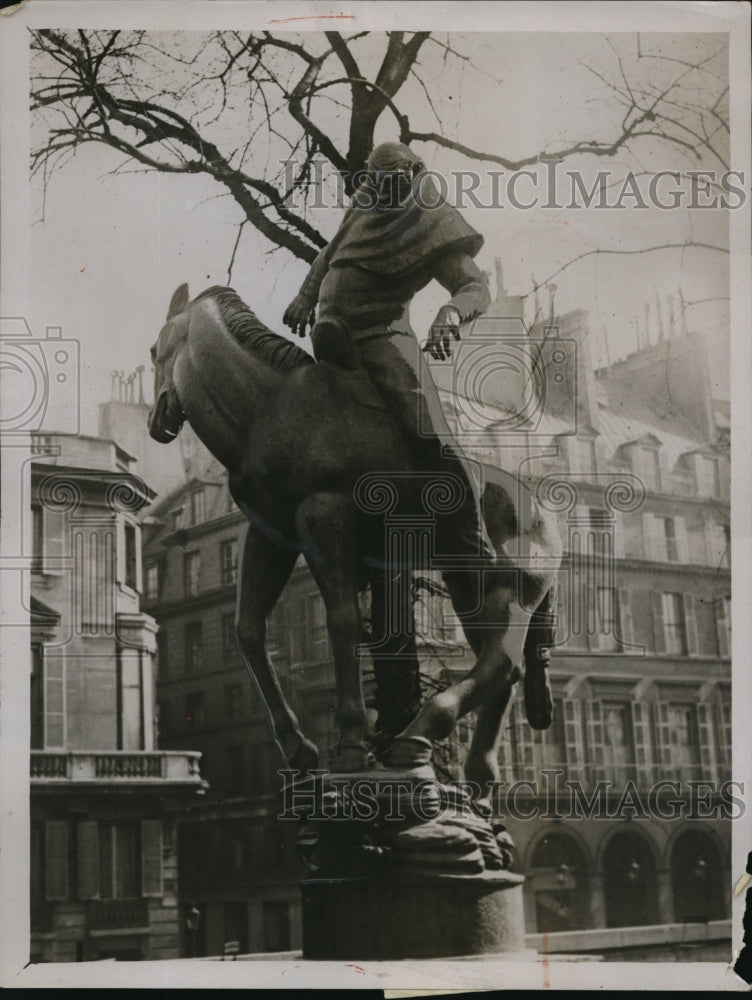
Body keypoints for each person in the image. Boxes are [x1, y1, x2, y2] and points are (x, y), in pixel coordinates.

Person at [283, 141, 494, 571]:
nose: (378, 190)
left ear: (412, 172)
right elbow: (332, 250)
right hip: (331, 337)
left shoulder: (433, 215)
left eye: (390, 180)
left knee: (430, 433)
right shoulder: (368, 197)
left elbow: (475, 287)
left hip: (383, 336)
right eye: (374, 180)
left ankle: (474, 539)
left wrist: (451, 313)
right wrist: (307, 293)